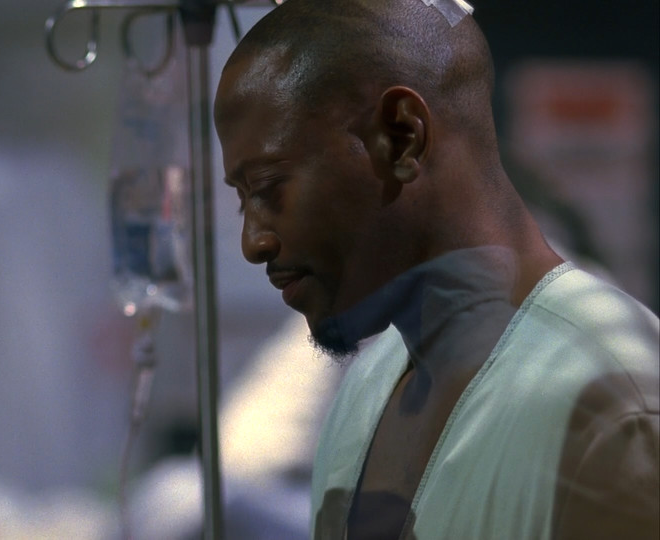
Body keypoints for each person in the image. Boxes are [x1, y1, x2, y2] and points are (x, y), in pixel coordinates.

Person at [212, 0, 660, 539]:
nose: (254, 242)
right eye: (243, 200)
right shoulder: (366, 392)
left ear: (402, 137)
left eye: (269, 188)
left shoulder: (610, 406)